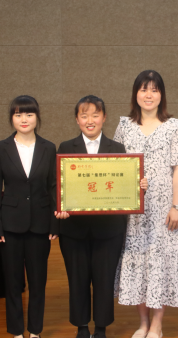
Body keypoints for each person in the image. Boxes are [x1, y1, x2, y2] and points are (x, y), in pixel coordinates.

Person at [56, 95, 148, 338]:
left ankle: (100, 328)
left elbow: (125, 185)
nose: (90, 120)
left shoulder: (117, 149)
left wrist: (138, 186)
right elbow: (57, 185)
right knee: (77, 280)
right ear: (77, 119)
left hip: (109, 230)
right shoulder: (65, 148)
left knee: (104, 281)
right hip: (74, 230)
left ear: (104, 118)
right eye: (84, 115)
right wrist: (60, 207)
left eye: (95, 115)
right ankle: (81, 328)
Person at [114, 70, 178, 338]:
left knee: (161, 263)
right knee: (139, 264)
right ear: (136, 93)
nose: (149, 95)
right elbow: (115, 165)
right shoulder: (124, 126)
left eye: (154, 90)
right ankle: (143, 323)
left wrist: (176, 207)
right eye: (144, 89)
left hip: (163, 209)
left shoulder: (173, 127)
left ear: (161, 95)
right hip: (134, 211)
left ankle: (157, 324)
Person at [0, 95, 58, 338]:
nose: (24, 119)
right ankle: (17, 331)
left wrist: (54, 223)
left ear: (37, 117)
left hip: (40, 224)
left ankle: (35, 331)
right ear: (12, 118)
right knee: (13, 283)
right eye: (18, 114)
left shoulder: (48, 148)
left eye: (29, 114)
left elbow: (53, 187)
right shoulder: (1, 148)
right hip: (10, 226)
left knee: (38, 283)